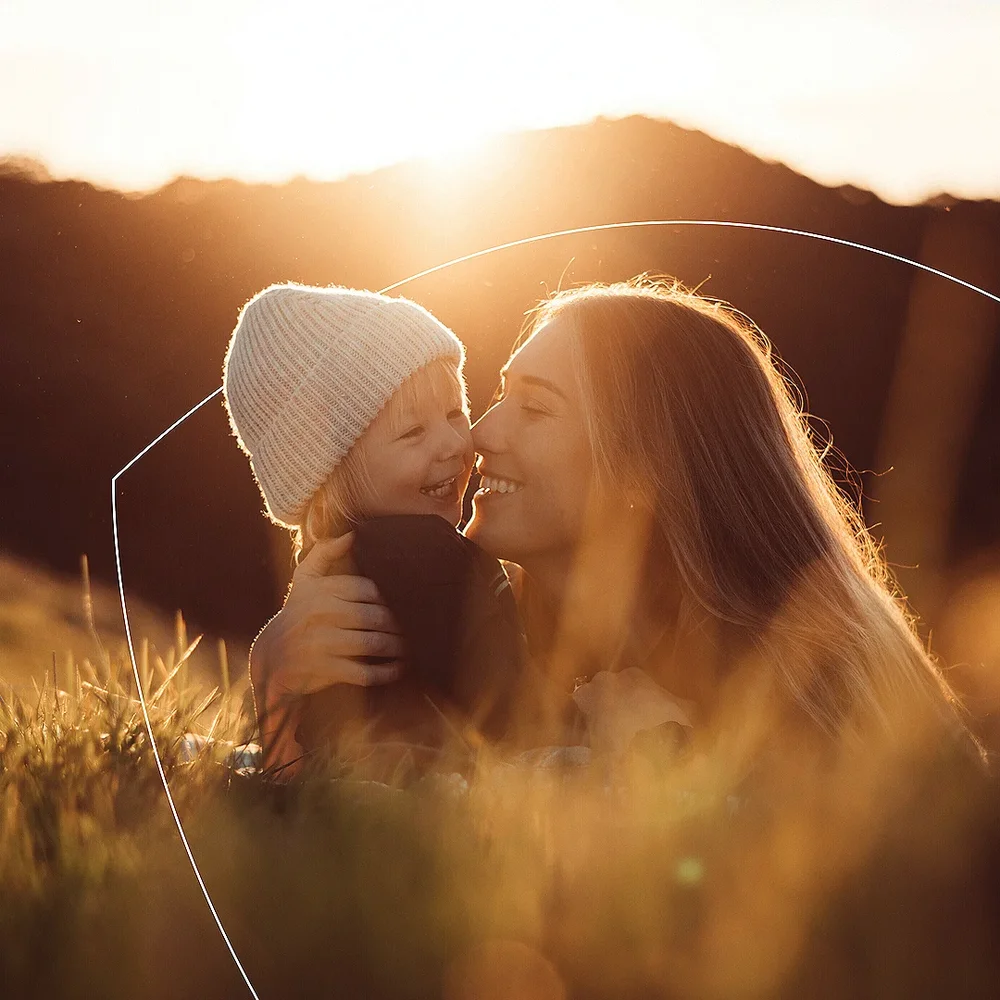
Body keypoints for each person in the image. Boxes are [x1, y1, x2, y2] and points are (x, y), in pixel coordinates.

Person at [250, 277, 982, 781]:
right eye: (498, 396)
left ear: (643, 469)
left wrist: (648, 751)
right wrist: (279, 688)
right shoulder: (506, 642)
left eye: (534, 408)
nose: (477, 435)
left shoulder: (792, 685)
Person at [223, 283, 527, 778]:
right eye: (412, 432)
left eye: (455, 412)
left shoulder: (335, 569)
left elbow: (297, 764)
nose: (454, 444)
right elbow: (512, 714)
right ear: (330, 476)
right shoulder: (422, 558)